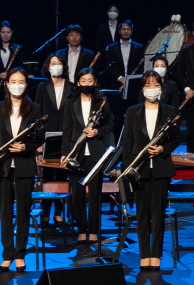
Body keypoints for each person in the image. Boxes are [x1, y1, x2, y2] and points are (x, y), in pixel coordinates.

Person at [119, 71, 177, 271]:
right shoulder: (133, 112)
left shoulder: (169, 111)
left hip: (161, 169)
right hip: (139, 171)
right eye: (148, 84)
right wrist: (129, 168)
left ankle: (156, 254)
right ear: (143, 89)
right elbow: (127, 144)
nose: (152, 88)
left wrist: (163, 149)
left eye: (156, 84)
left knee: (158, 214)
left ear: (161, 87)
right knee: (142, 214)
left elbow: (176, 138)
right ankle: (145, 254)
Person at [0, 67, 40, 271]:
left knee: (24, 211)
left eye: (21, 82)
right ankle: (7, 253)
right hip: (3, 166)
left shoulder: (34, 108)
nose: (17, 85)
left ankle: (20, 253)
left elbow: (40, 137)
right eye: (13, 82)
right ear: (7, 84)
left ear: (26, 85)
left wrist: (26, 147)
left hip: (25, 165)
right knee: (6, 211)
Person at [62, 68, 111, 246]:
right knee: (77, 195)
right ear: (78, 83)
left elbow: (112, 123)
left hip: (96, 152)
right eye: (83, 81)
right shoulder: (71, 101)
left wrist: (98, 131)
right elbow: (67, 129)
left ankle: (94, 230)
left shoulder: (102, 101)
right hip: (76, 152)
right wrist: (65, 154)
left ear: (95, 82)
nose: (87, 84)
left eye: (90, 81)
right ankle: (81, 229)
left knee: (96, 194)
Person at [104, 19, 145, 100]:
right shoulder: (112, 47)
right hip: (117, 84)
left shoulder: (139, 47)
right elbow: (109, 66)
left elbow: (141, 67)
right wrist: (119, 78)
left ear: (132, 31)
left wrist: (131, 79)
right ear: (119, 31)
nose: (126, 31)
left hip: (133, 85)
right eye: (123, 29)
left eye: (128, 29)